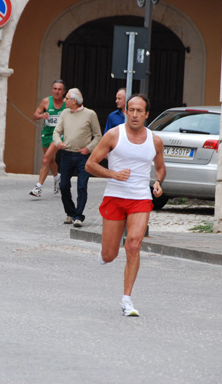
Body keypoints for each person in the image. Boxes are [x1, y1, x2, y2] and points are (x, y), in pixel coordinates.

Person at [86, 94, 165, 317]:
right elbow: (90, 164)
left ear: (147, 114)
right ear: (126, 112)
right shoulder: (114, 135)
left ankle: (126, 299)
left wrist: (158, 182)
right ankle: (106, 254)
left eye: (139, 110)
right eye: (131, 110)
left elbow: (160, 168)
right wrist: (113, 174)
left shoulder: (155, 140)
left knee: (133, 244)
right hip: (115, 196)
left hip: (140, 198)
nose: (134, 114)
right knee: (110, 254)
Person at [52, 88, 102, 227]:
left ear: (74, 101)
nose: (64, 100)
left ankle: (78, 216)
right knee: (63, 185)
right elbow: (56, 131)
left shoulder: (90, 114)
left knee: (82, 186)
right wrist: (58, 142)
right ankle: (70, 212)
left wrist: (88, 149)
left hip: (83, 156)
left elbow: (98, 136)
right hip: (67, 154)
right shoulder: (65, 113)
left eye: (66, 98)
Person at [29, 79, 66, 197]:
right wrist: (42, 115)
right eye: (55, 89)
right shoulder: (46, 101)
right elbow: (35, 115)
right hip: (46, 134)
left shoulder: (67, 103)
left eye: (60, 89)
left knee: (45, 159)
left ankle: (38, 188)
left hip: (58, 135)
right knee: (50, 161)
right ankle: (57, 177)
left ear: (64, 91)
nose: (57, 91)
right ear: (52, 90)